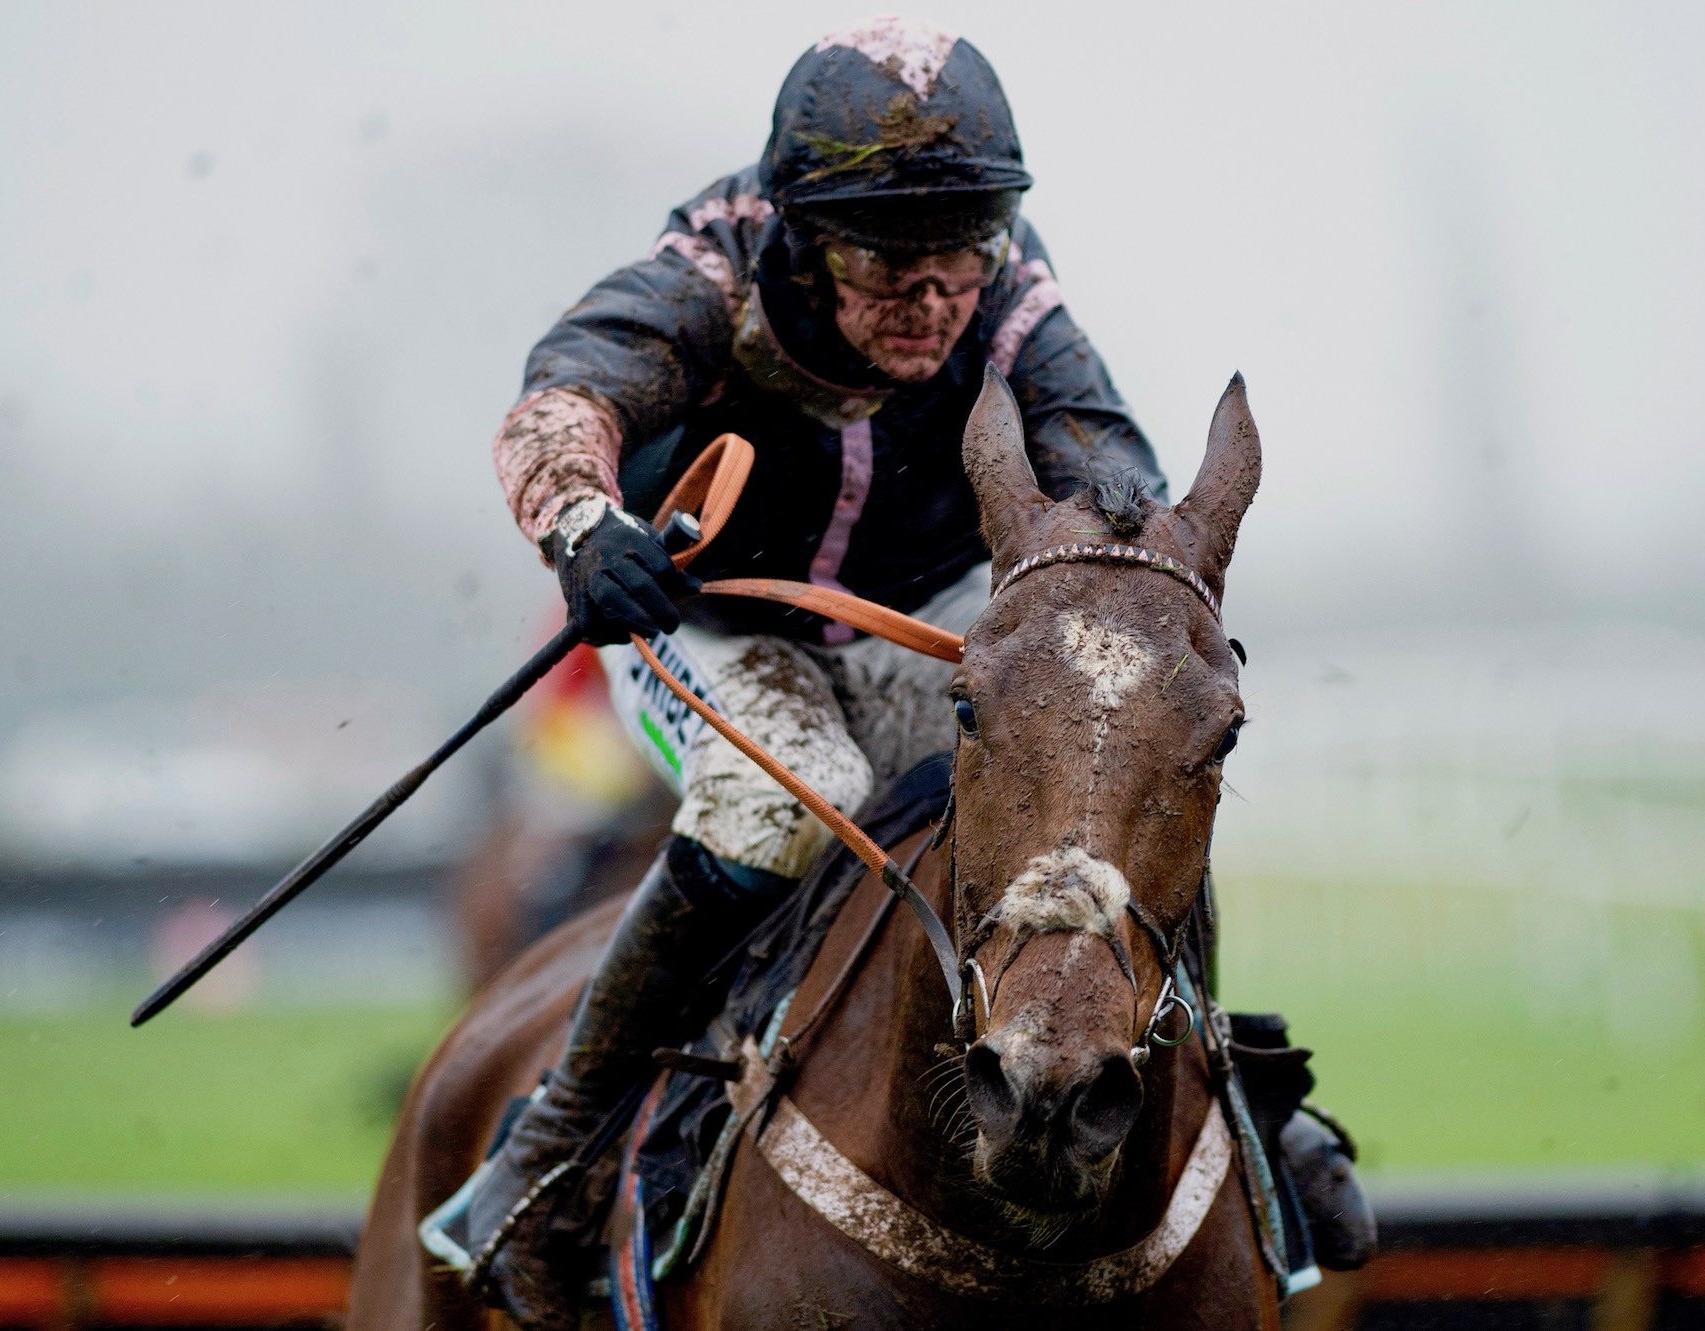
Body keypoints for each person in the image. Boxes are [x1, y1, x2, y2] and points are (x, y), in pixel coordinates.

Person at [453, 17, 1371, 1322]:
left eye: (957, 264)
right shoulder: (712, 267)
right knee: (783, 797)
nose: (934, 302)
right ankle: (557, 1141)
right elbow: (564, 394)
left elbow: (1104, 451)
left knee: (1111, 745)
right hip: (714, 621)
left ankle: (1239, 1089)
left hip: (917, 617)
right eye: (890, 268)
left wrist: (1133, 606)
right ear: (801, 235)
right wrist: (581, 524)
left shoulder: (1006, 281)